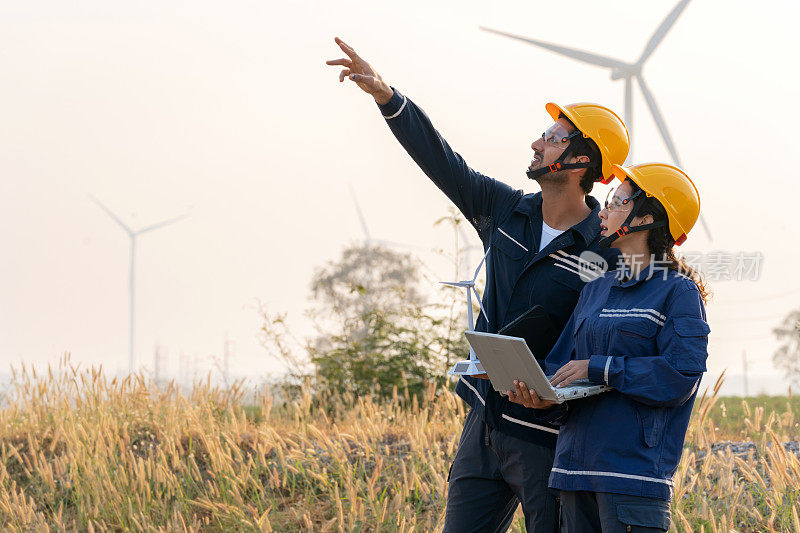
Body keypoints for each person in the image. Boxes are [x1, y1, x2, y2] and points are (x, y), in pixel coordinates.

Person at [326, 37, 630, 531]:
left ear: (580, 163)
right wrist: (387, 97)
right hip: (484, 425)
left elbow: (619, 334)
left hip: (548, 439)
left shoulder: (605, 249)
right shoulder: (506, 211)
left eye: (552, 138)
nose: (536, 143)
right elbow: (442, 161)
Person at [507, 163, 711, 532]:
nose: (603, 211)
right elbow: (562, 366)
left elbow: (680, 376)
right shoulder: (595, 289)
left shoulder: (677, 292)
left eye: (616, 202)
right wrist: (541, 394)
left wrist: (599, 367)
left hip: (631, 479)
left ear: (646, 216)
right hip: (572, 475)